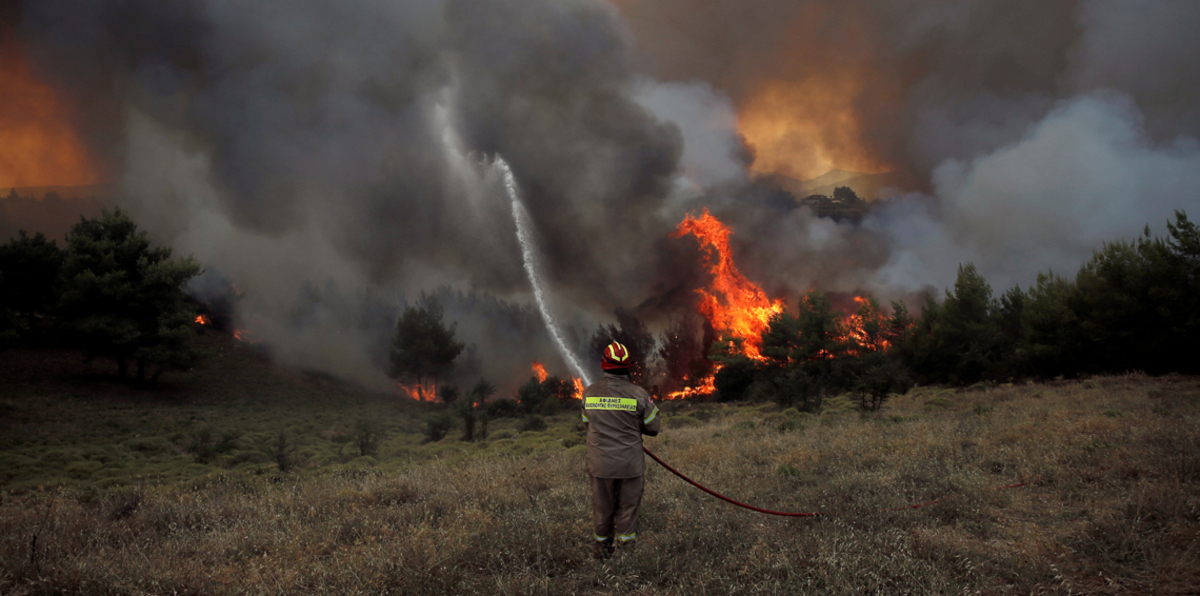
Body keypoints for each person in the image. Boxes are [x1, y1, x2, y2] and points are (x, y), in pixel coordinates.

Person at [581, 340, 661, 560]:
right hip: (629, 465)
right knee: (627, 511)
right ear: (629, 366)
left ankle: (601, 555)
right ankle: (626, 559)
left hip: (600, 465)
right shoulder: (638, 394)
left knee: (602, 511)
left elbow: (587, 425)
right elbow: (654, 427)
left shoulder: (589, 393)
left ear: (603, 365)